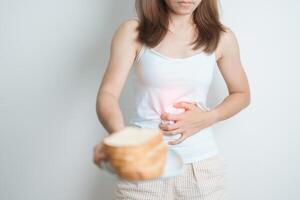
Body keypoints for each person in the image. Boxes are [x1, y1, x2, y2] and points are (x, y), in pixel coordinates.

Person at [93, 0, 251, 199]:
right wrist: (122, 138)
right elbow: (107, 94)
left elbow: (242, 93)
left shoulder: (222, 37)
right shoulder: (132, 31)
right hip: (143, 165)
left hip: (200, 169)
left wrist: (209, 117)